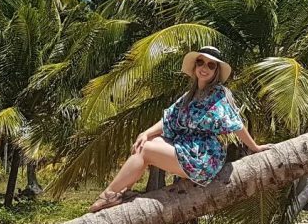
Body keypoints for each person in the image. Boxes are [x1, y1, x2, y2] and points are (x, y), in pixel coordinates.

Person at [89, 45, 268, 213]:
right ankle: (121, 192)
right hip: (187, 149)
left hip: (203, 157)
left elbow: (235, 124)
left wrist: (255, 148)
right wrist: (145, 133)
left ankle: (108, 195)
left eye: (211, 65)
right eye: (200, 62)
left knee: (146, 149)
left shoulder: (218, 94)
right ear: (195, 66)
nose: (204, 68)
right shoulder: (189, 95)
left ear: (216, 71)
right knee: (144, 142)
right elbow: (169, 119)